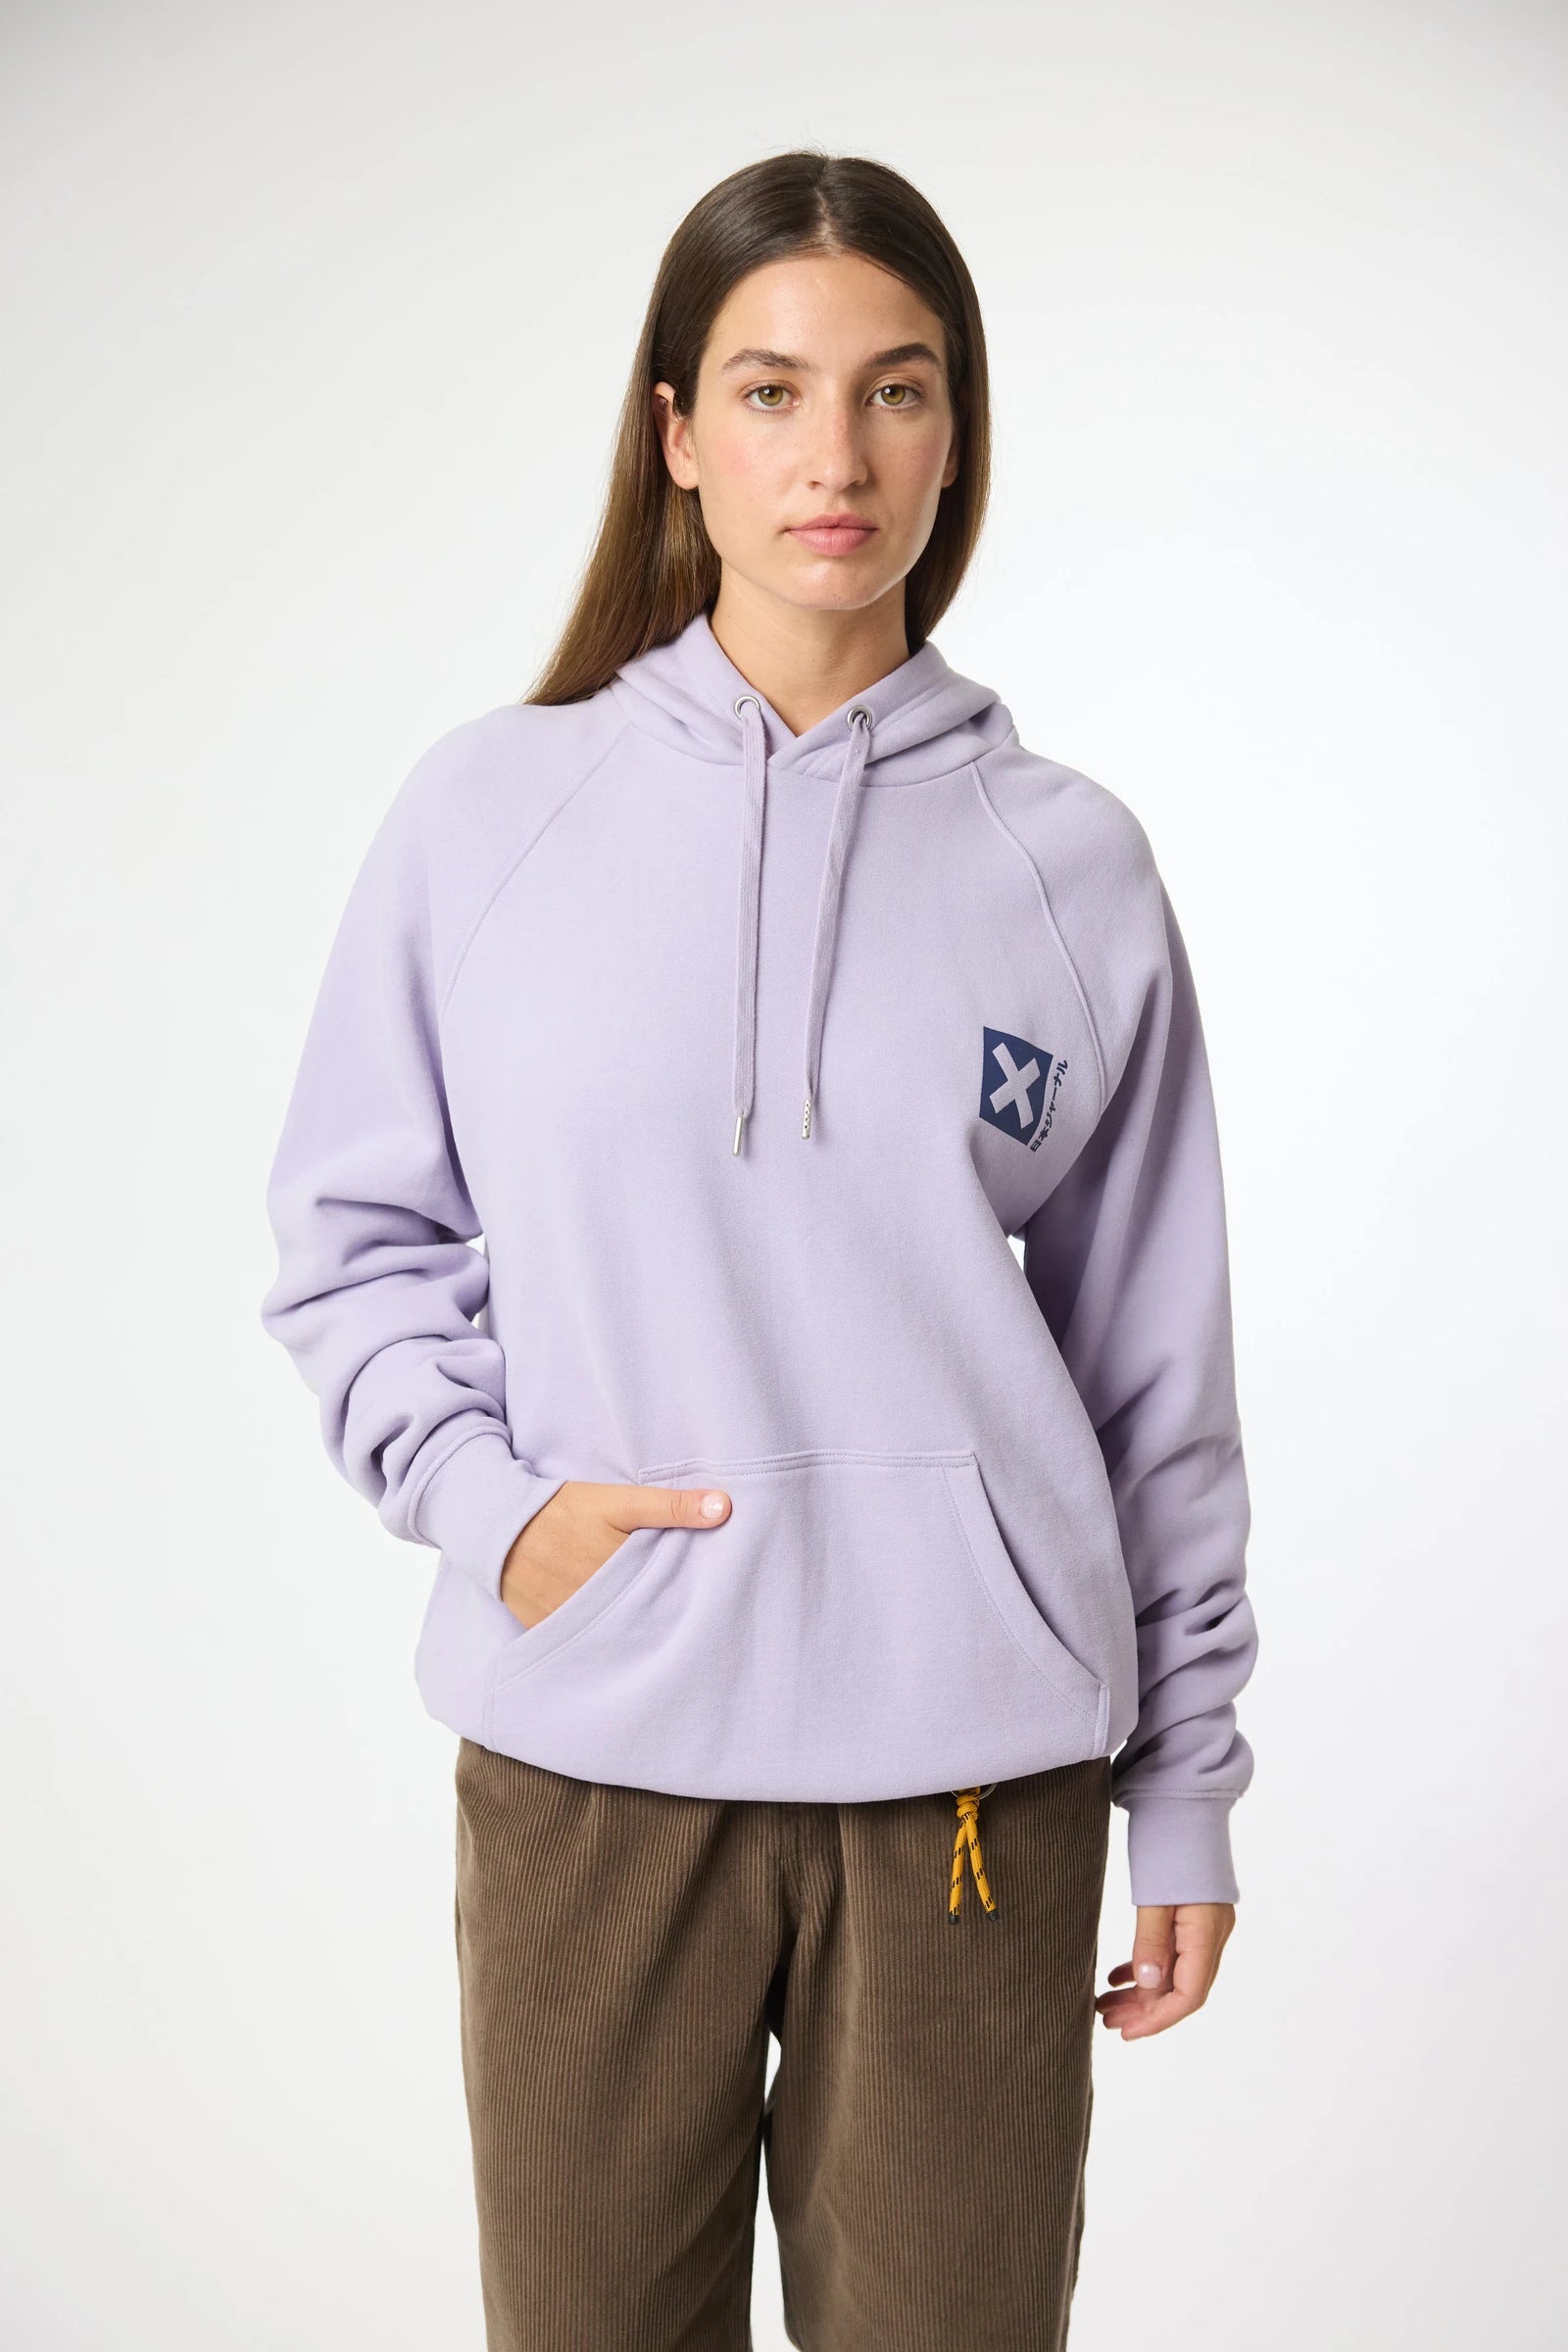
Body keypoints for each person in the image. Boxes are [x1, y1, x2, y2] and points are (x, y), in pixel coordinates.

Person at [259, 148, 1258, 2352]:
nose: (838, 457)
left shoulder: (1069, 864)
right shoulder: (486, 815)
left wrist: (1183, 1784)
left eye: (897, 390)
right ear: (678, 434)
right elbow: (354, 1242)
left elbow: (1153, 1372)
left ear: (955, 433)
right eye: (774, 391)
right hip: (594, 1759)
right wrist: (495, 1511)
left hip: (974, 1781)